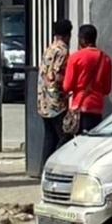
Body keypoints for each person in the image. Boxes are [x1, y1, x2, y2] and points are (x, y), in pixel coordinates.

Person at [62, 24, 112, 134]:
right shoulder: (106, 59)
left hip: (79, 106)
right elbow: (107, 89)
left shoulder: (75, 57)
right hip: (97, 107)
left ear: (82, 40)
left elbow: (67, 86)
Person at [37, 18, 73, 166]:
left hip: (43, 100)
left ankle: (44, 167)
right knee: (65, 135)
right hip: (56, 102)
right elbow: (58, 76)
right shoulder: (63, 51)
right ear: (68, 35)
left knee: (50, 136)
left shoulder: (49, 49)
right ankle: (55, 165)